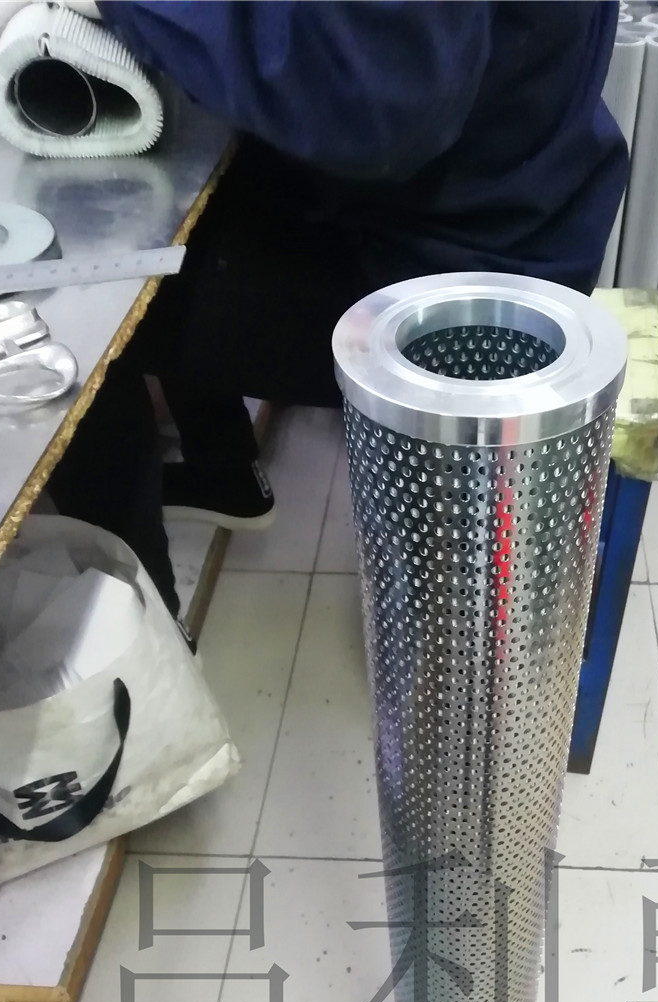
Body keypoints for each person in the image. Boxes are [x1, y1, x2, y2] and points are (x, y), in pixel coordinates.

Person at [45, 0, 628, 618]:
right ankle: (224, 470)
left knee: (70, 306)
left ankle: (145, 639)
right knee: (183, 207)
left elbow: (377, 91)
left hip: (453, 276)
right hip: (508, 188)